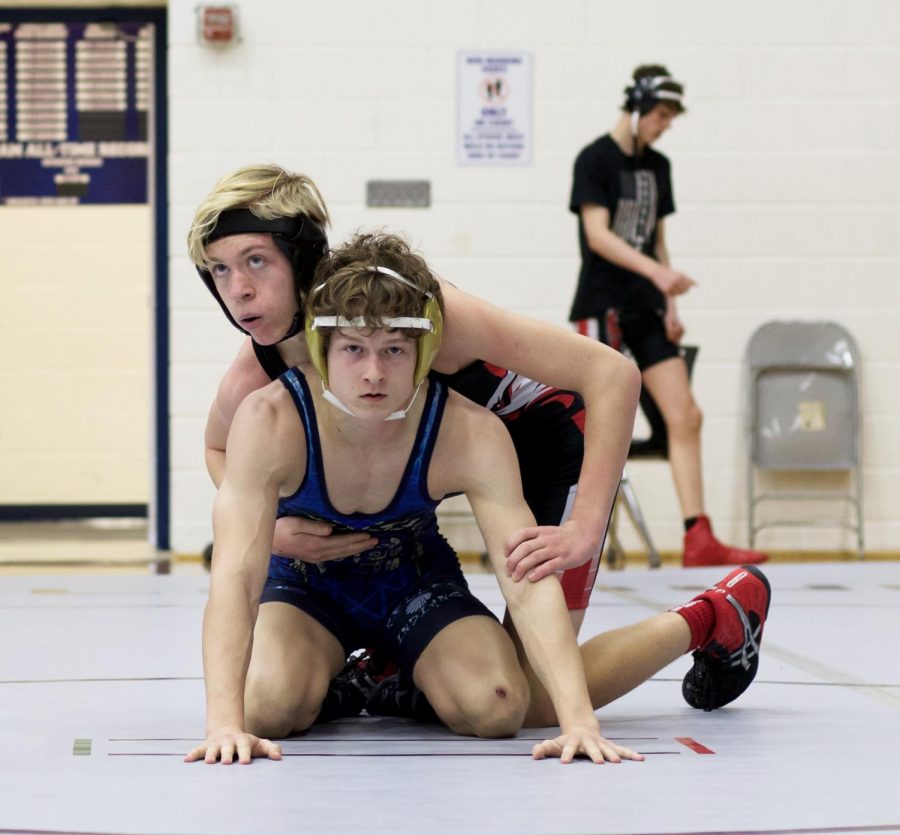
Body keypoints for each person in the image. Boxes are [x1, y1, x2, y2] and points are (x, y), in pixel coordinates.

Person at [184, 238, 645, 765]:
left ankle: (396, 678)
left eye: (394, 350)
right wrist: (223, 724)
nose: (374, 373)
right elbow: (235, 576)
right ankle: (345, 685)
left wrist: (579, 723)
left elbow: (524, 578)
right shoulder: (268, 419)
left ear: (424, 353)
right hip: (308, 586)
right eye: (354, 349)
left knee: (500, 706)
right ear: (323, 350)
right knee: (265, 705)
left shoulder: (469, 431)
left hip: (414, 582)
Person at [569, 64, 768, 568]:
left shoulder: (658, 167)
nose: (665, 125)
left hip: (647, 307)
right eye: (660, 114)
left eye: (670, 117)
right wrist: (656, 276)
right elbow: (599, 235)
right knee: (595, 424)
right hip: (601, 305)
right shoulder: (594, 160)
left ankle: (697, 536)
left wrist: (670, 301)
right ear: (636, 108)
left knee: (686, 415)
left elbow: (657, 238)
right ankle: (582, 533)